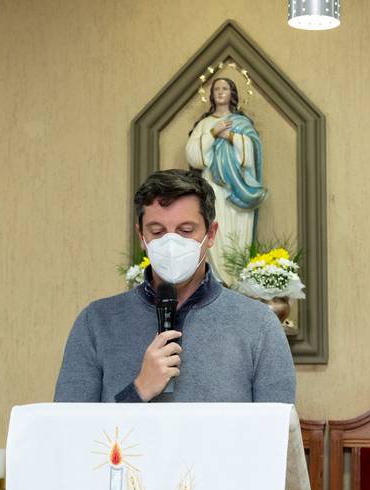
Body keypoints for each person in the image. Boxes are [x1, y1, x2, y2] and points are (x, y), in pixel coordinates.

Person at [54, 170, 294, 404]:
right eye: (157, 231)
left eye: (185, 231)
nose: (171, 243)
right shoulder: (95, 322)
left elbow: (276, 434)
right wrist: (138, 391)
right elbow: (71, 435)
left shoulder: (258, 324)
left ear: (211, 234)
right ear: (142, 236)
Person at [185, 77, 266, 284]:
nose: (221, 92)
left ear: (233, 94)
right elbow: (193, 155)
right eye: (217, 89)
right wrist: (213, 132)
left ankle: (236, 280)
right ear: (211, 95)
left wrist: (228, 136)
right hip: (212, 186)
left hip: (237, 189)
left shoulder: (242, 123)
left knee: (236, 233)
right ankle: (218, 279)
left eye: (225, 89)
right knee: (215, 225)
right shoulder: (204, 124)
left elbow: (251, 154)